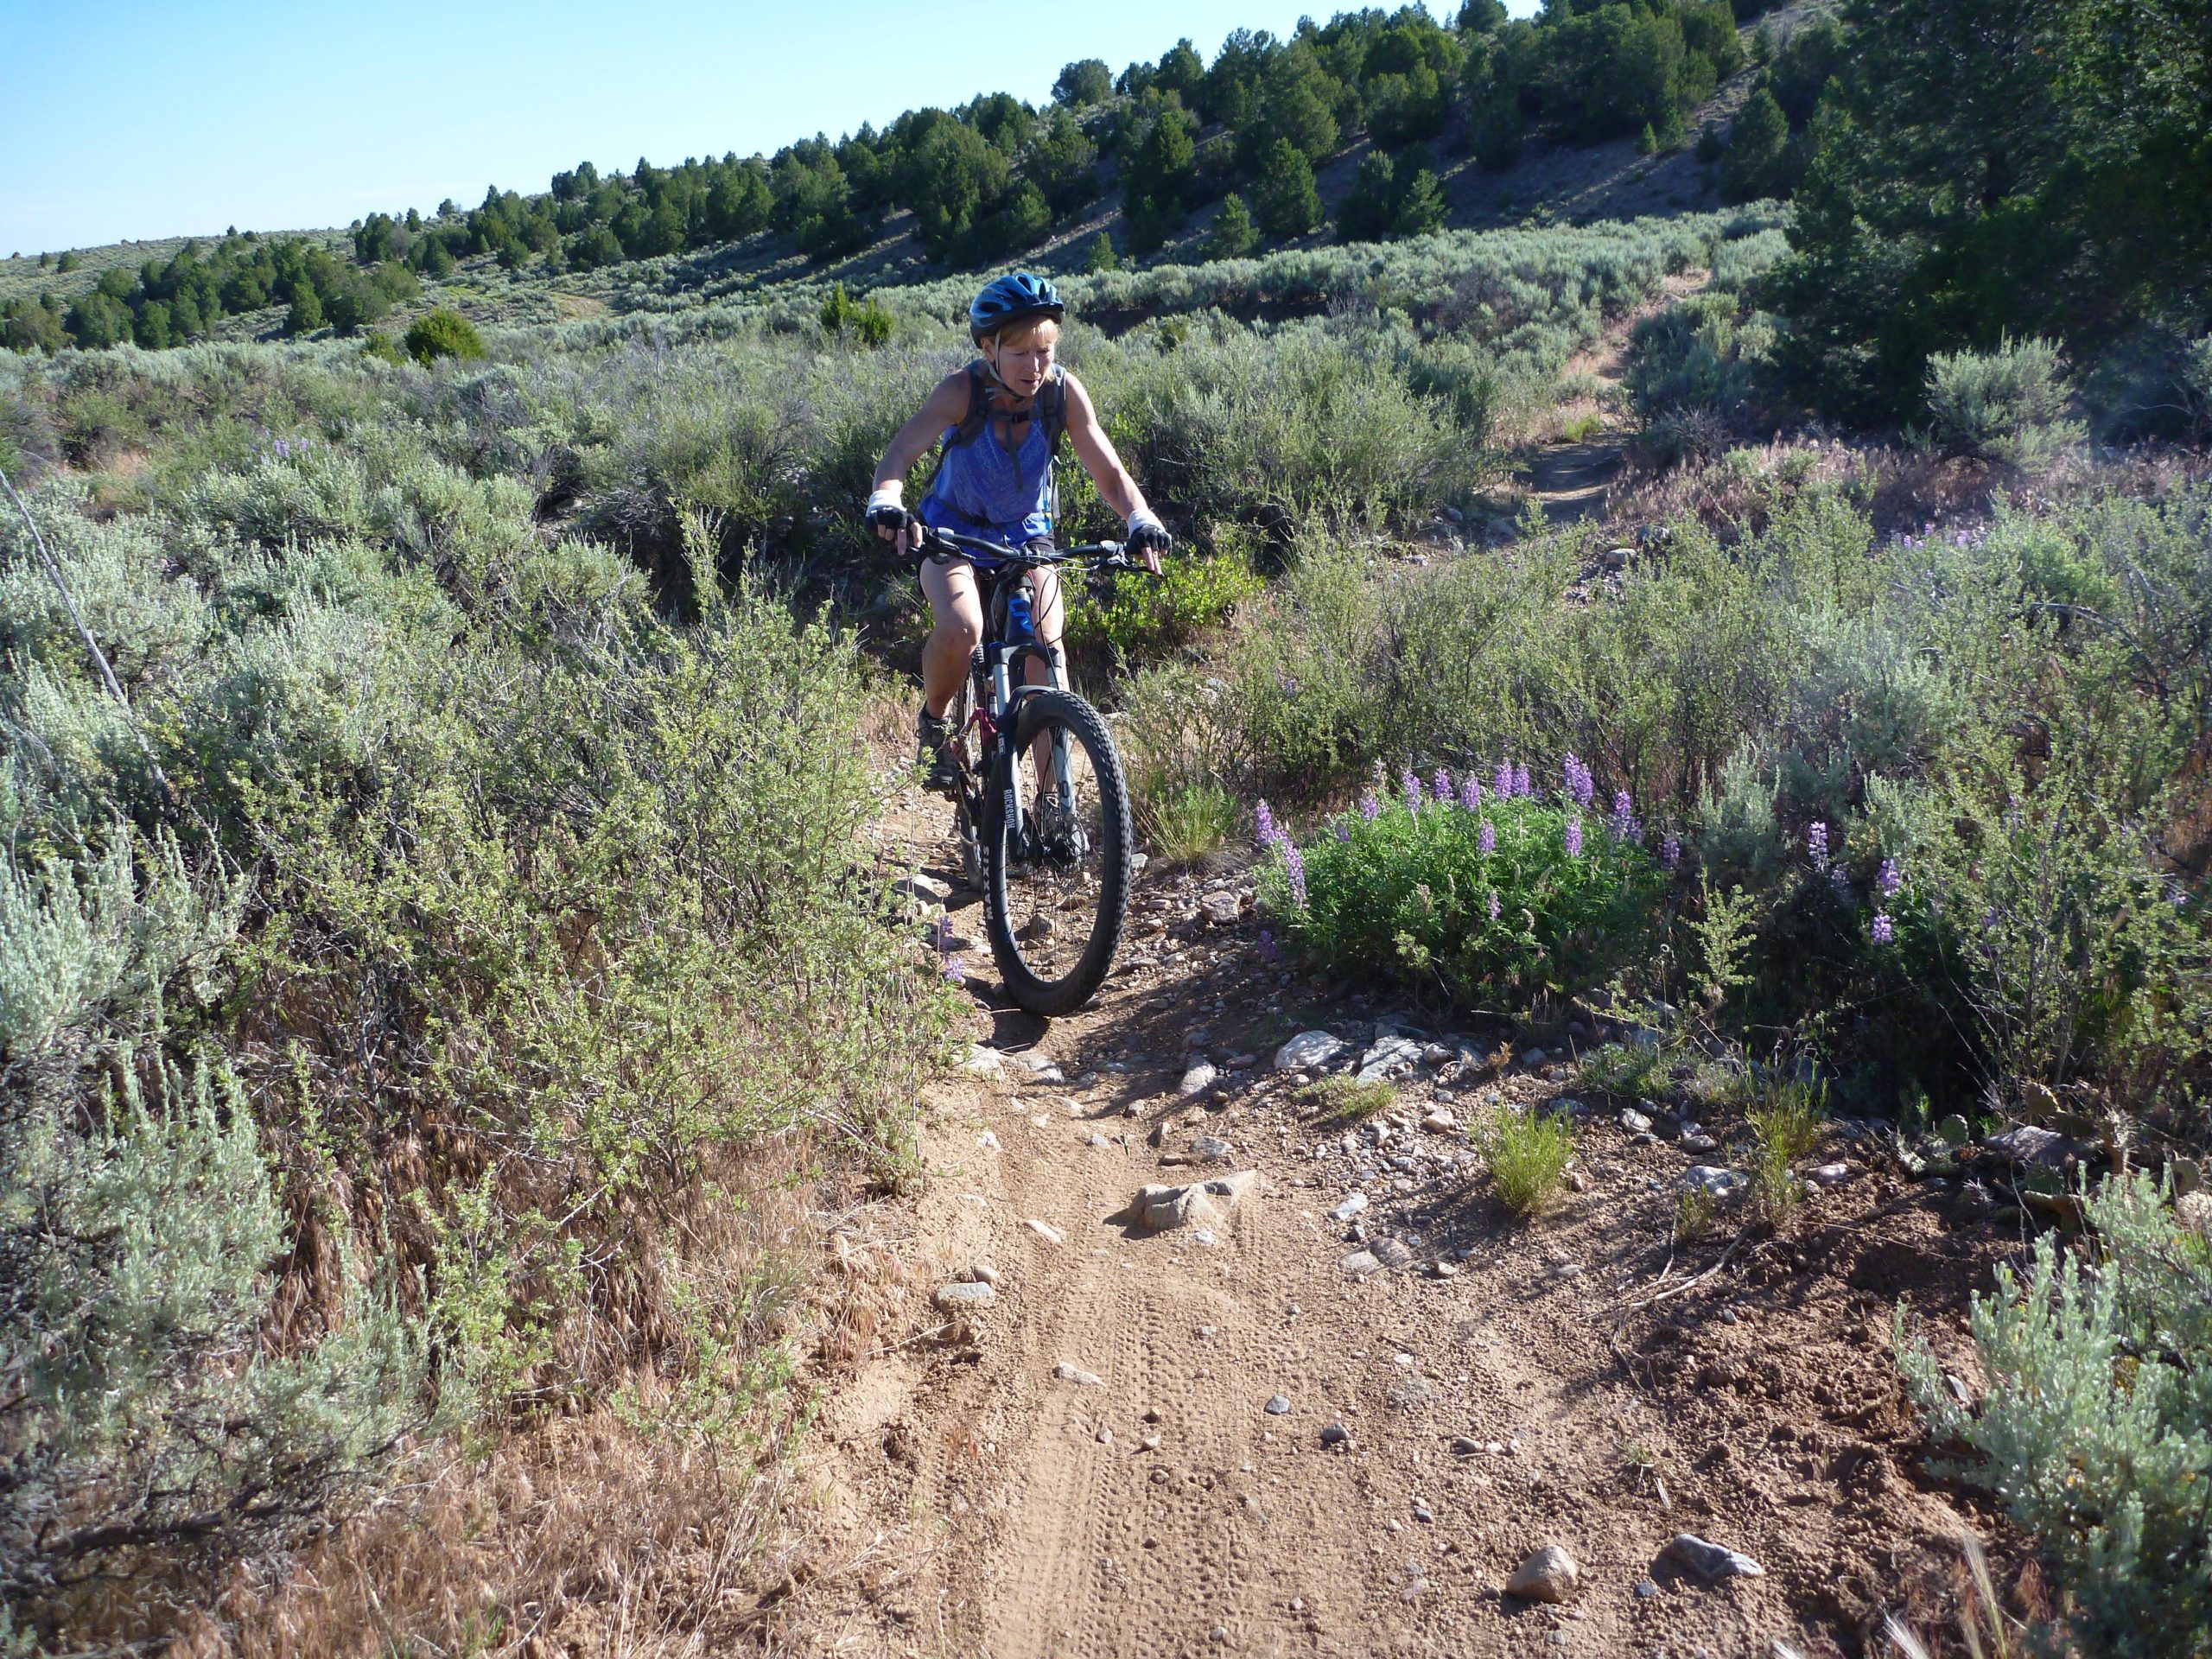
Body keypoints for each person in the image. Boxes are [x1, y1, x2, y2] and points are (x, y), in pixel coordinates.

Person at [865, 271, 1170, 791]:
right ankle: (934, 723)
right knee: (964, 628)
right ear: (989, 348)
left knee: (1047, 656)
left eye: (1046, 351)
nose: (1036, 367)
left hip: (1027, 536)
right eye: (1022, 353)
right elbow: (899, 453)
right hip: (952, 533)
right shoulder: (962, 391)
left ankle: (1058, 807)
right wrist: (886, 499)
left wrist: (1141, 518)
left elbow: (1111, 474)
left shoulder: (1063, 394)